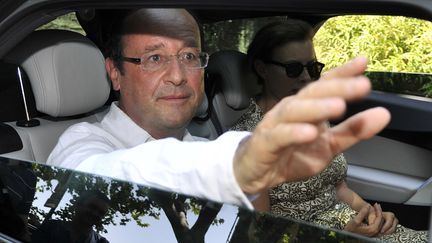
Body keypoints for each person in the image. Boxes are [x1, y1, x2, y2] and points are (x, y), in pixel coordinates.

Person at [47, 8, 391, 212]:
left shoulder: (199, 148)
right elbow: (91, 177)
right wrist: (235, 164)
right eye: (155, 58)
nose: (179, 76)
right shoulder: (82, 143)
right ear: (115, 73)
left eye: (189, 57)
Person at [230, 20, 428, 242]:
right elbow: (261, 232)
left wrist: (374, 215)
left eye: (312, 68)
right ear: (262, 69)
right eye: (293, 68)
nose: (306, 77)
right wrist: (339, 237)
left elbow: (339, 188)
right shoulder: (246, 141)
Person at [32, 190, 110, 243]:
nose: (95, 214)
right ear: (78, 205)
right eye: (92, 207)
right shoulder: (51, 227)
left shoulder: (101, 242)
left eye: (101, 213)